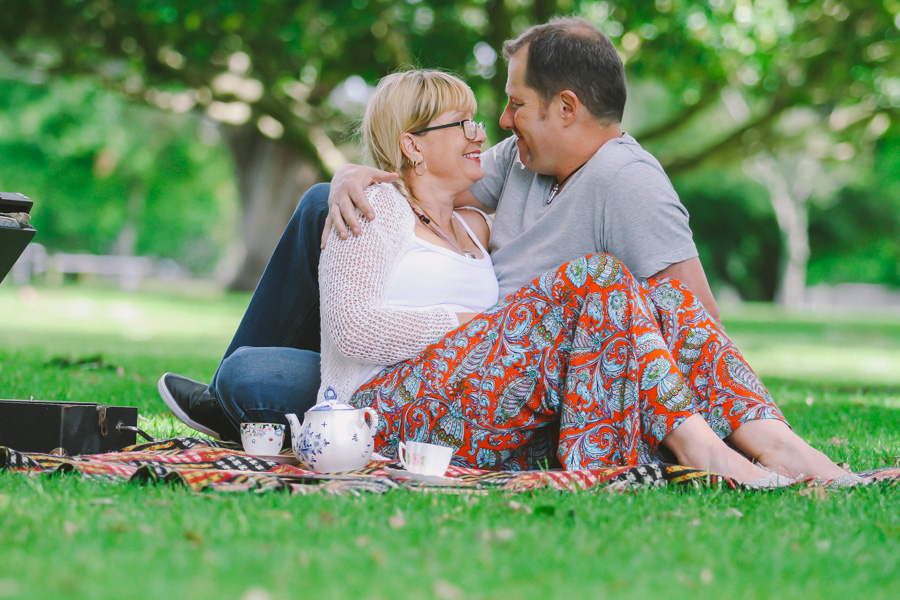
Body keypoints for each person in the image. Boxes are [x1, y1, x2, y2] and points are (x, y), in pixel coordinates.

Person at [157, 18, 857, 484]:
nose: (494, 126)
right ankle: (229, 402)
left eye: (513, 105)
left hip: (522, 381)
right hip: (415, 389)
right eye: (472, 120)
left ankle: (780, 450)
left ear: (566, 109)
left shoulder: (626, 185)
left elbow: (697, 319)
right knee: (300, 255)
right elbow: (418, 182)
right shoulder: (511, 163)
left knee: (647, 297)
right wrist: (349, 176)